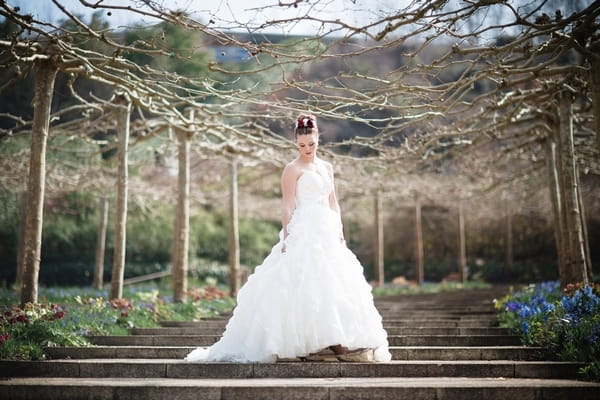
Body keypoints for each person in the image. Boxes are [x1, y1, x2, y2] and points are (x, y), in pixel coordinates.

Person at [184, 114, 391, 363]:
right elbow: (288, 205)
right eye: (302, 145)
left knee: (332, 284)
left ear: (317, 139)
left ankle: (332, 340)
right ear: (296, 143)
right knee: (303, 283)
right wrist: (287, 236)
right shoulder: (292, 169)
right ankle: (316, 344)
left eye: (311, 144)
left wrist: (340, 232)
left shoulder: (327, 167)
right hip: (304, 228)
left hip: (327, 229)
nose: (306, 149)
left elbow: (333, 202)